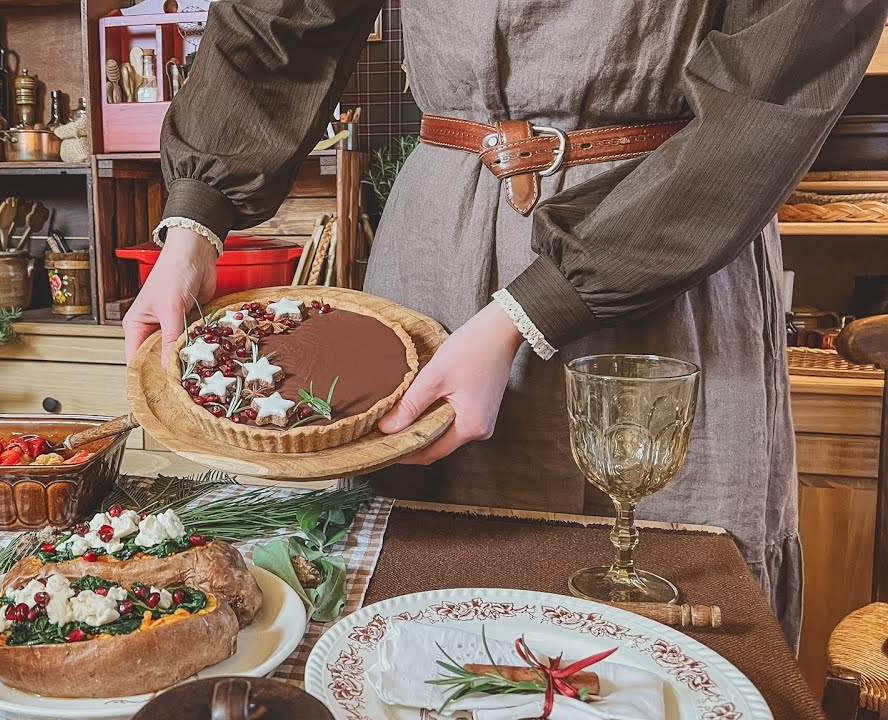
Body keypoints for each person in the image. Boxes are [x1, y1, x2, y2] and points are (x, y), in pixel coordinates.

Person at [122, 0, 888, 643]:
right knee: (421, 599)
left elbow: (771, 92)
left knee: (658, 609)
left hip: (666, 247)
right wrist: (195, 226)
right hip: (437, 256)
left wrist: (526, 314)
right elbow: (275, 24)